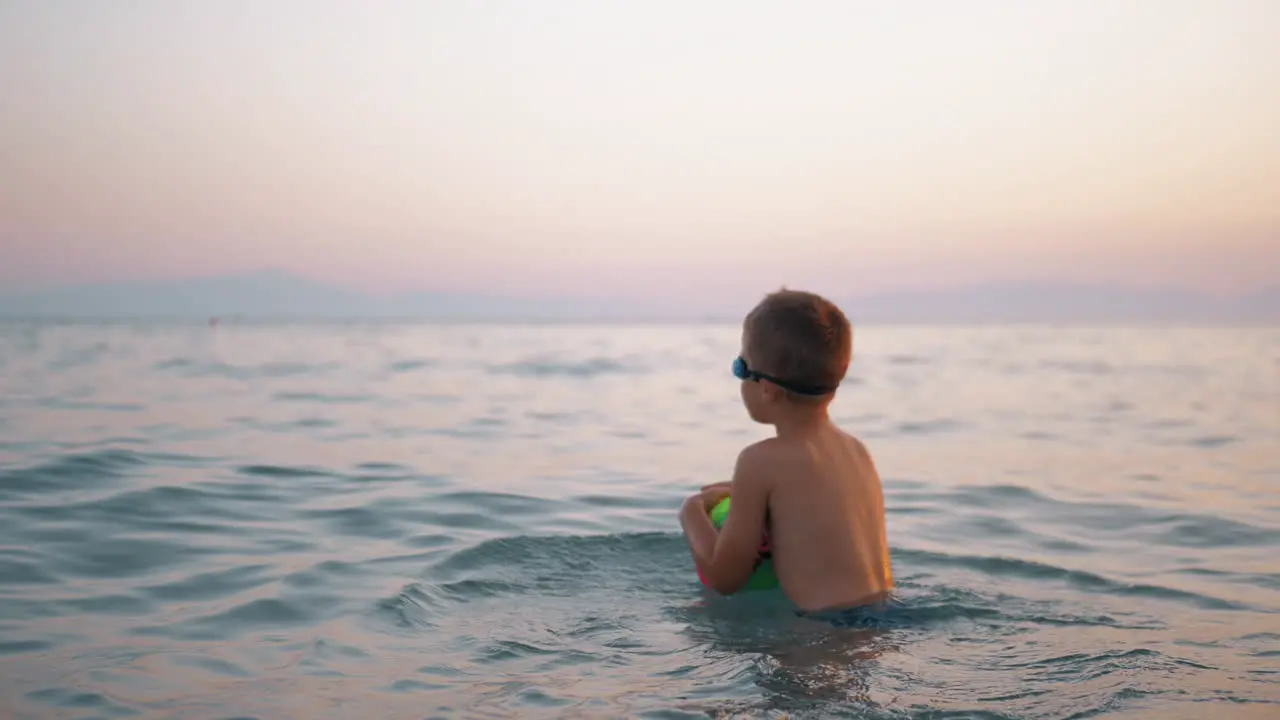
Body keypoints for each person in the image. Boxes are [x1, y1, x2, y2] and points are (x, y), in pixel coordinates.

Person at [679, 288, 893, 614]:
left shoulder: (759, 461)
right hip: (885, 621)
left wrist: (691, 511)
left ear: (766, 388)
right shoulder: (856, 451)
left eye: (740, 367)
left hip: (820, 637)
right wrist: (741, 494)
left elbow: (724, 578)